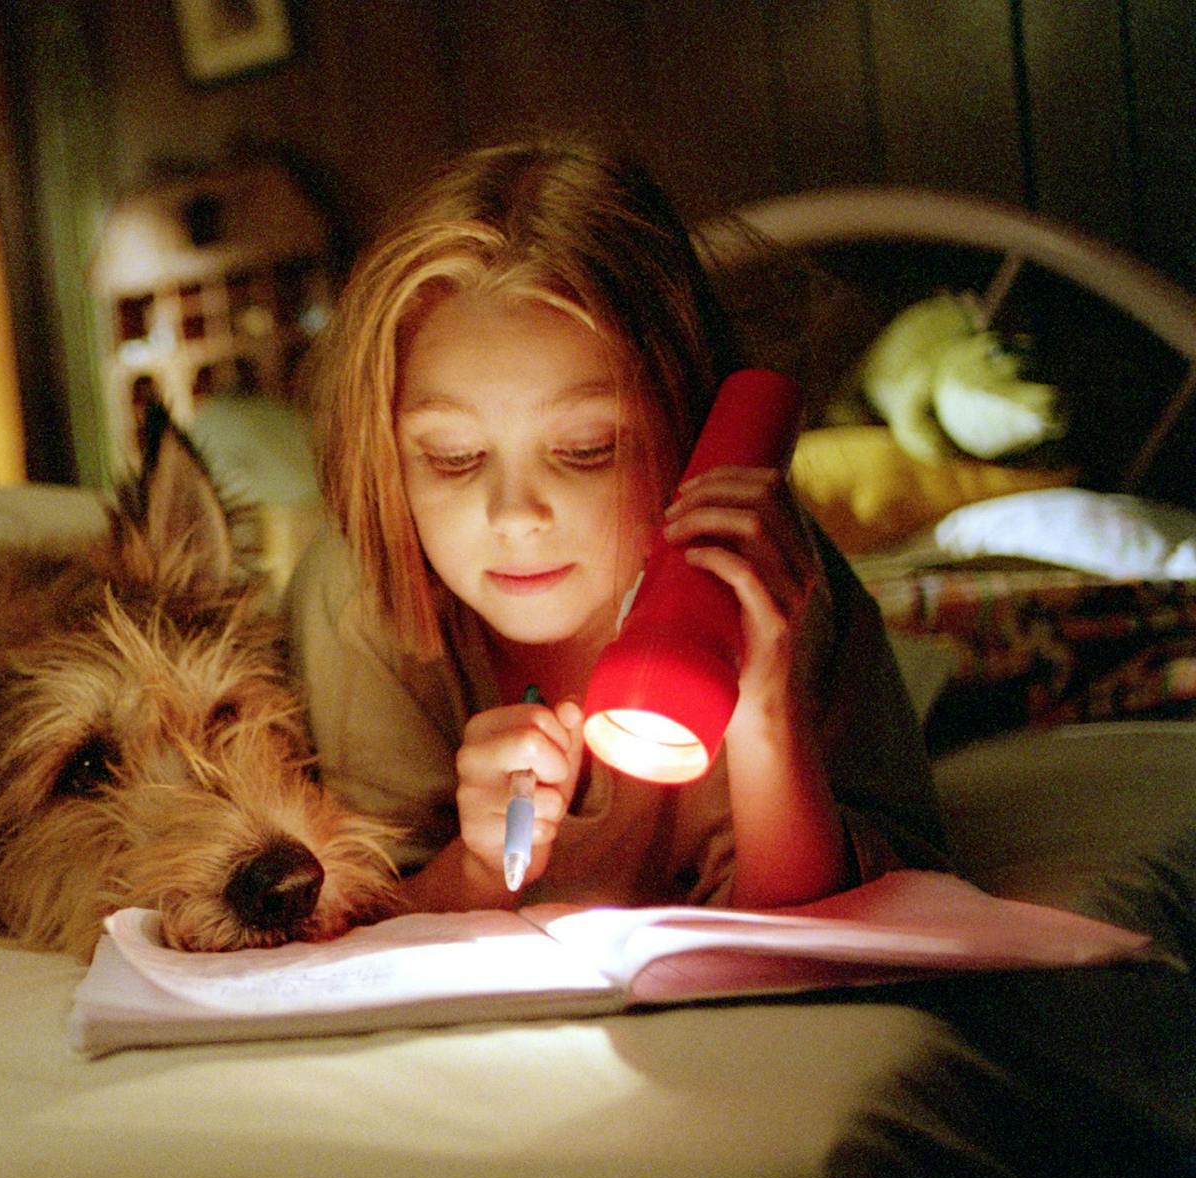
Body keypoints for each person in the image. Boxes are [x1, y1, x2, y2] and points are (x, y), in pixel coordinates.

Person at [287, 139, 947, 913]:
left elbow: (811, 923)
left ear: (686, 430)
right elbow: (364, 914)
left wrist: (767, 711)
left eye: (586, 449)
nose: (514, 515)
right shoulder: (358, 597)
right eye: (454, 457)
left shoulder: (761, 569)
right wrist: (475, 866)